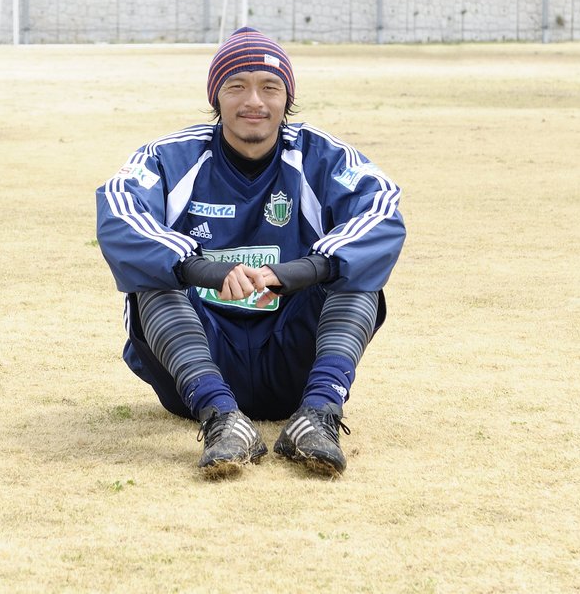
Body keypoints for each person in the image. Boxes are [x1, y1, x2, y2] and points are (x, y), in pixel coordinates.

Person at [96, 27, 406, 478]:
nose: (254, 101)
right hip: (196, 361)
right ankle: (222, 418)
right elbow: (119, 216)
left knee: (358, 274)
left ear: (287, 98)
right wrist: (201, 268)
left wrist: (306, 268)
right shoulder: (170, 157)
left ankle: (318, 415)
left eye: (270, 87)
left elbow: (382, 210)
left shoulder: (321, 156)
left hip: (292, 358)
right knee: (153, 279)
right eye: (237, 86)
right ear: (216, 97)